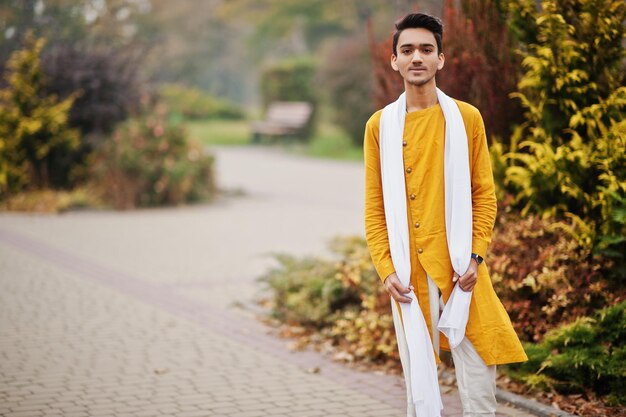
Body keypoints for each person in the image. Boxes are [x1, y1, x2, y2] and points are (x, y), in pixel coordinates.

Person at [363, 12, 527, 417]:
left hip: (461, 271)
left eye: (426, 49)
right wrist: (387, 271)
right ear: (394, 61)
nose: (416, 57)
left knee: (480, 384)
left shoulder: (466, 118)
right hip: (409, 276)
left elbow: (483, 194)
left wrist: (475, 257)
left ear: (441, 59)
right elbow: (375, 208)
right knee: (419, 388)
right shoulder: (379, 126)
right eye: (407, 50)